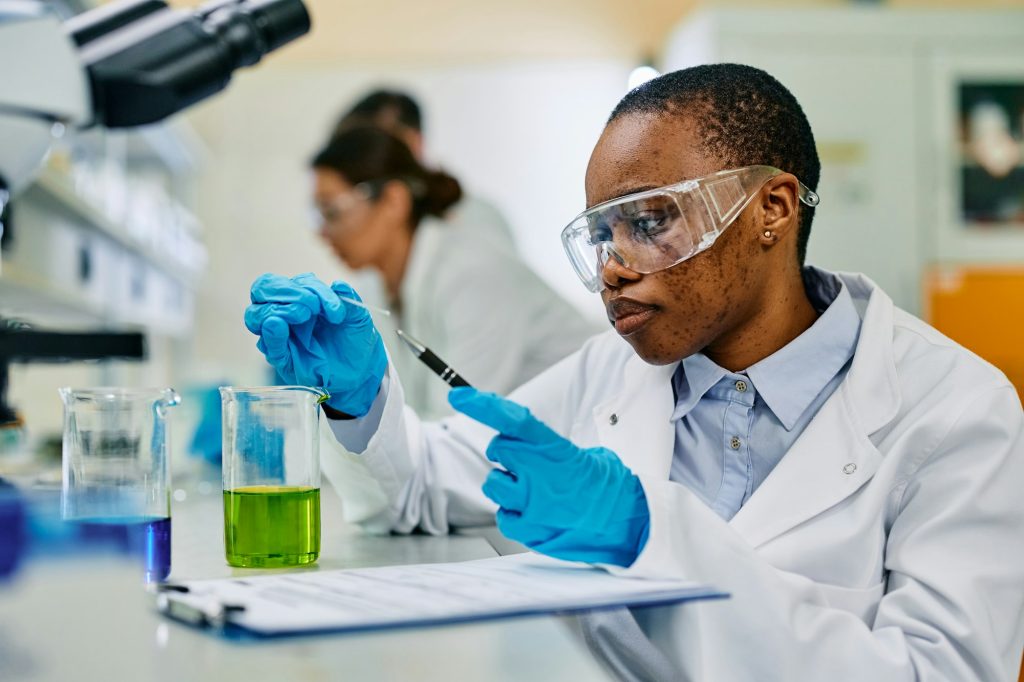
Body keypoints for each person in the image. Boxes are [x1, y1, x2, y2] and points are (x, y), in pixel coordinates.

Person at [245, 65, 1024, 680]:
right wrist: (357, 402)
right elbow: (421, 486)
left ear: (773, 210)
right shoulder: (608, 373)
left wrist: (650, 534)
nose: (614, 268)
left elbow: (934, 673)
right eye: (602, 236)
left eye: (650, 222)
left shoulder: (956, 414)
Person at [303, 126, 597, 420]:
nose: (322, 232)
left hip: (595, 426)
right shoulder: (375, 285)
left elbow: (455, 424)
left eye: (332, 211)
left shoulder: (472, 273)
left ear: (394, 200)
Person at [333, 89, 517, 253]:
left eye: (372, 147)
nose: (359, 166)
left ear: (414, 142)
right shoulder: (368, 234)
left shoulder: (475, 220)